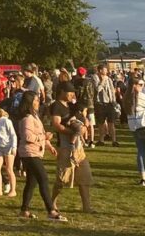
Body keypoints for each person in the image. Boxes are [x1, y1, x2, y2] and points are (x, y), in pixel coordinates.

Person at [16, 92, 64, 221]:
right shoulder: (27, 118)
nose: (38, 102)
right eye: (36, 100)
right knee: (43, 178)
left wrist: (49, 146)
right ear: (30, 102)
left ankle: (24, 210)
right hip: (29, 153)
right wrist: (44, 137)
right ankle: (51, 210)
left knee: (31, 183)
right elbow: (28, 137)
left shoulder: (35, 117)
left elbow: (39, 134)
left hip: (35, 152)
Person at [48, 82, 92, 214]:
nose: (72, 94)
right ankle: (52, 203)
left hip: (79, 148)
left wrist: (84, 126)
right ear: (61, 91)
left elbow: (83, 119)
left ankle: (87, 206)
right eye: (69, 92)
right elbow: (56, 124)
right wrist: (71, 132)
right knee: (62, 179)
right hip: (66, 147)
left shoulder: (72, 105)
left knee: (84, 177)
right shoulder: (56, 106)